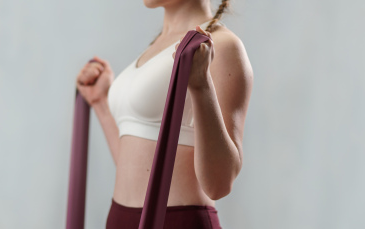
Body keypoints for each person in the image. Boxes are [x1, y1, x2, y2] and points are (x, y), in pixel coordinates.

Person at [74, 0, 253, 228]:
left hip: (176, 221)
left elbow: (219, 184)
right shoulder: (156, 46)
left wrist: (201, 86)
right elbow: (143, 168)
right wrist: (100, 102)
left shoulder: (223, 46)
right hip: (120, 218)